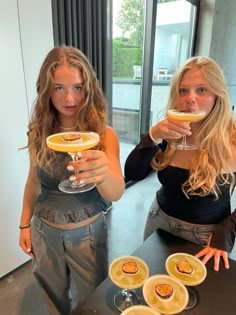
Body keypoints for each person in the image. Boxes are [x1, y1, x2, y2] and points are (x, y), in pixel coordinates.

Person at [19, 46, 125, 315]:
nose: (70, 97)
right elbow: (33, 182)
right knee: (53, 298)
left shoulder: (103, 135)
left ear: (88, 87)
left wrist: (101, 172)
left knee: (93, 301)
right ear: (46, 89)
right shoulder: (39, 133)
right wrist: (24, 225)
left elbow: (116, 192)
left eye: (78, 87)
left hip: (87, 235)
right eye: (58, 88)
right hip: (45, 232)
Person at [125, 56, 236, 272]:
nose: (190, 99)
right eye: (183, 91)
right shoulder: (170, 134)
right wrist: (152, 136)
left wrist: (227, 232)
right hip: (159, 221)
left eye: (202, 90)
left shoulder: (231, 139)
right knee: (155, 285)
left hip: (208, 235)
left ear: (217, 95)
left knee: (195, 300)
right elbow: (133, 173)